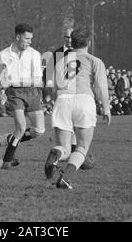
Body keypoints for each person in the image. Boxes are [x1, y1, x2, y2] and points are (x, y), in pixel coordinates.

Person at [44, 27, 110, 189]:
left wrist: (49, 98)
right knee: (81, 147)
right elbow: (101, 87)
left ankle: (57, 153)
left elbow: (53, 83)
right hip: (84, 100)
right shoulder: (94, 60)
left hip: (63, 100)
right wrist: (106, 108)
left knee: (65, 148)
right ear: (88, 42)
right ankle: (66, 178)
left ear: (71, 42)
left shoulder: (60, 60)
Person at [0, 23, 45, 169]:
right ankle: (7, 160)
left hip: (32, 92)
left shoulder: (35, 54)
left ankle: (10, 140)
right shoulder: (3, 54)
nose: (30, 42)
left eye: (31, 38)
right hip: (14, 93)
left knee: (39, 131)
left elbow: (37, 78)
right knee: (21, 127)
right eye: (27, 38)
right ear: (18, 37)